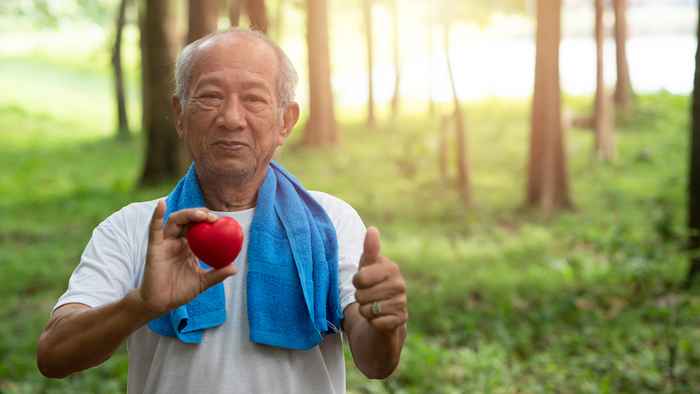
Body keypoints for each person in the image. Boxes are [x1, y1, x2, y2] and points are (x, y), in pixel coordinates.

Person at [36, 29, 407, 394]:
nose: (231, 118)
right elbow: (53, 356)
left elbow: (376, 362)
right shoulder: (135, 228)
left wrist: (383, 321)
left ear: (286, 121)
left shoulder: (330, 222)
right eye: (211, 97)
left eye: (254, 100)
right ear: (180, 114)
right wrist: (140, 305)